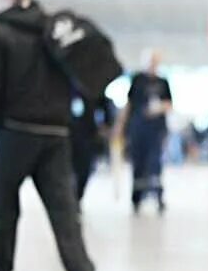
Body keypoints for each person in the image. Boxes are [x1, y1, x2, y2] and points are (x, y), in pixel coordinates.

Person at [0, 0, 96, 271]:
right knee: (63, 206)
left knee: (2, 204)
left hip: (16, 131)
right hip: (55, 132)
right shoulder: (54, 32)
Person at [118, 50, 172, 214]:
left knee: (155, 163)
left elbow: (169, 104)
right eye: (150, 61)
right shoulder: (137, 80)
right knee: (138, 164)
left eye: (155, 61)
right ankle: (136, 199)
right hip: (138, 128)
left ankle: (158, 197)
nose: (152, 65)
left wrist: (158, 108)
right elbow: (128, 104)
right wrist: (120, 126)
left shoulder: (163, 82)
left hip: (156, 130)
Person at [70, 93, 115, 204]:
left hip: (88, 136)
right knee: (67, 171)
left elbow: (105, 107)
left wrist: (106, 126)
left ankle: (76, 199)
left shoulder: (92, 87)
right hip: (66, 135)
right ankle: (70, 200)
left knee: (84, 171)